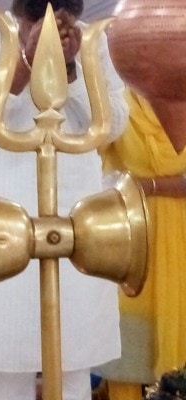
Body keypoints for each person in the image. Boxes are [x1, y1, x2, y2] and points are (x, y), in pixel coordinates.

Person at [0, 1, 129, 400]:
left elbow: (114, 123)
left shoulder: (92, 43)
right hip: (3, 219)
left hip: (77, 222)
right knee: (7, 365)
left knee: (74, 363)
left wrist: (72, 68)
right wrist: (25, 62)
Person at [97, 89, 186, 400]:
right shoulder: (118, 103)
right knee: (128, 348)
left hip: (179, 238)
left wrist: (147, 185)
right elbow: (89, 153)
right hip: (130, 241)